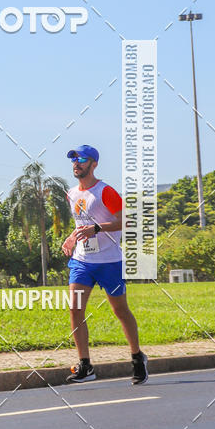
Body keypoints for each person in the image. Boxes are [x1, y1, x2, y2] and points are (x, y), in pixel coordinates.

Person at [61, 145, 148, 385]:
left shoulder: (105, 191)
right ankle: (85, 365)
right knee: (75, 309)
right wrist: (72, 236)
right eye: (73, 160)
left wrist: (98, 228)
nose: (76, 163)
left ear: (94, 164)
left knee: (120, 310)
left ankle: (137, 357)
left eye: (81, 159)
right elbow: (83, 223)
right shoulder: (71, 193)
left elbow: (125, 222)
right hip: (82, 261)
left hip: (110, 262)